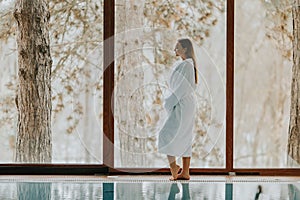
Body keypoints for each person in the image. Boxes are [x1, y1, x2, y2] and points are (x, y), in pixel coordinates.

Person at [158, 38, 198, 180]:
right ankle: (184, 172)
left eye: (178, 47)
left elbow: (181, 88)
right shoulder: (184, 64)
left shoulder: (187, 65)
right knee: (184, 135)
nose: (175, 49)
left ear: (185, 49)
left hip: (182, 103)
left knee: (165, 134)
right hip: (184, 103)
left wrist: (169, 102)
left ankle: (174, 168)